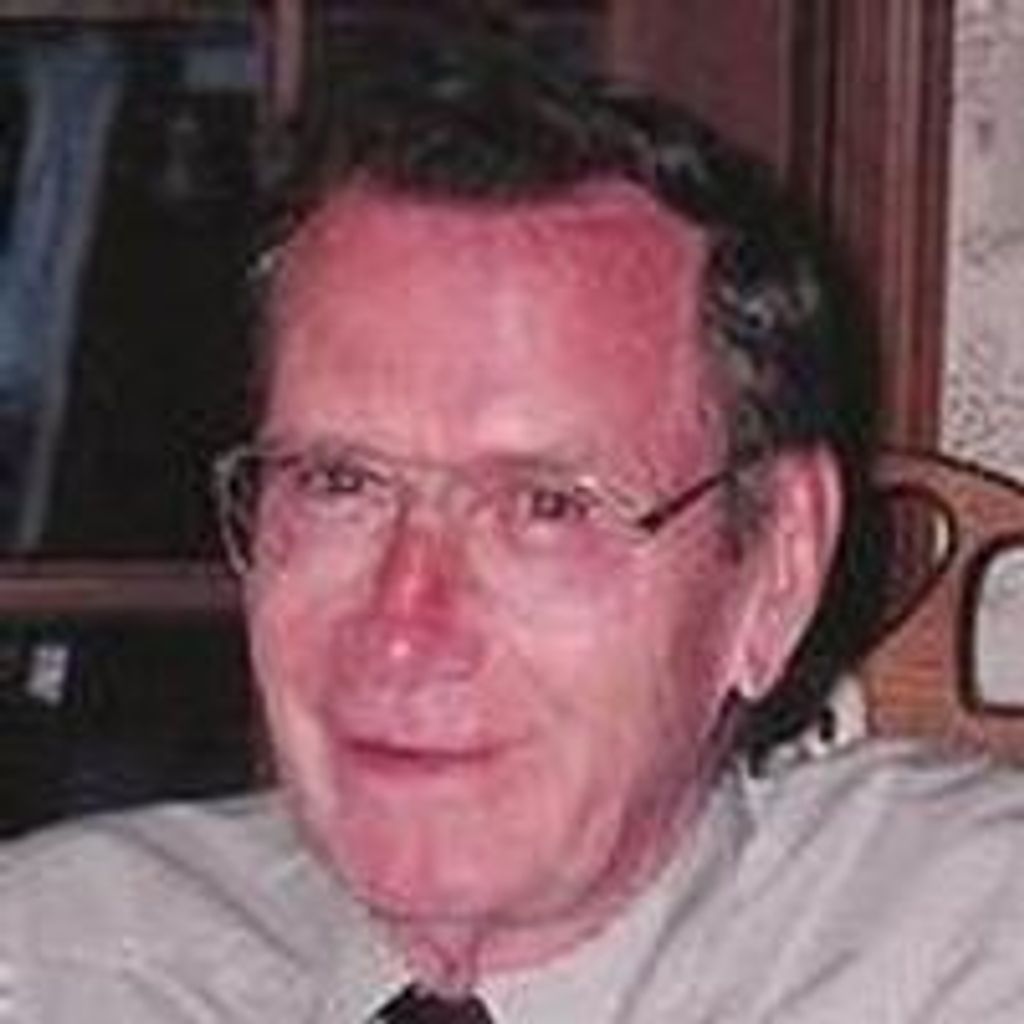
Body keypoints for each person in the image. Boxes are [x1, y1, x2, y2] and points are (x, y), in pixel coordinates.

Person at [3, 15, 1024, 1023]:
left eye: (546, 508)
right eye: (338, 484)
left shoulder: (968, 957)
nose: (403, 631)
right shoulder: (54, 960)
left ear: (775, 571)